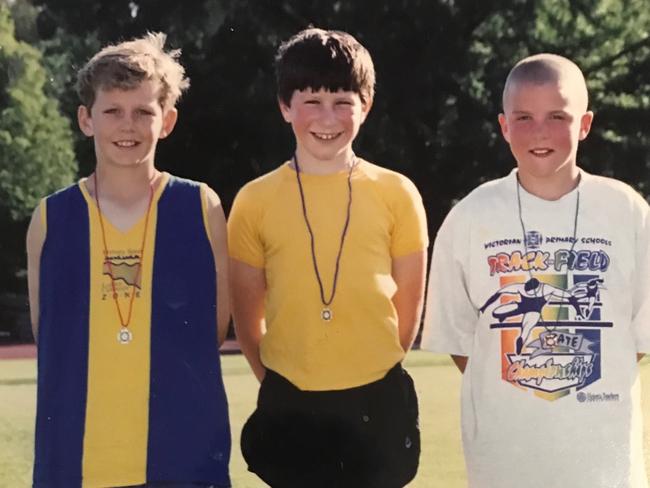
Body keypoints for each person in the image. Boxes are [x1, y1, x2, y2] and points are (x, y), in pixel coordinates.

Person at [421, 52, 650, 488]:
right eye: (523, 117)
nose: (540, 131)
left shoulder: (628, 212)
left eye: (557, 115)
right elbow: (463, 341)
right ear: (504, 126)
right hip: (505, 464)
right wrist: (527, 369)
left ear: (584, 124)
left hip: (603, 466)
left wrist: (575, 369)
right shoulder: (472, 216)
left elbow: (632, 338)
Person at [26, 32, 231, 488]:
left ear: (168, 120)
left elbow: (213, 330)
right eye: (112, 111)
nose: (128, 126)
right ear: (86, 119)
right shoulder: (52, 218)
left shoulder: (201, 207)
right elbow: (50, 334)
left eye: (144, 112)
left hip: (183, 461)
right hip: (75, 466)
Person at [228, 27, 428, 488]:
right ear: (284, 107)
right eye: (311, 101)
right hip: (290, 405)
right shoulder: (254, 201)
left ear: (366, 107)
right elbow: (248, 319)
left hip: (376, 404)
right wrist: (285, 382)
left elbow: (406, 318)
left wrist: (362, 368)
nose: (327, 117)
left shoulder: (397, 193)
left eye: (343, 101)